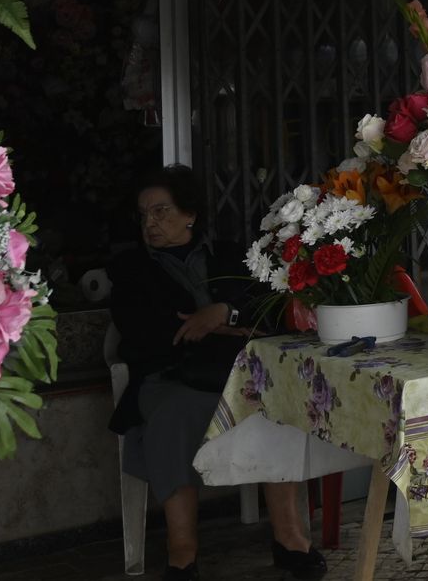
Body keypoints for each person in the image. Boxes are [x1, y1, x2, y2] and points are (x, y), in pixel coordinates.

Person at [108, 166, 327, 581]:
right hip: (169, 375)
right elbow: (141, 328)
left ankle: (289, 537)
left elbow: (264, 307)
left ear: (189, 214)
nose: (150, 222)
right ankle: (182, 550)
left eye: (161, 211)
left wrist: (223, 313)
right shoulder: (131, 268)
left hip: (238, 374)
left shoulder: (230, 255)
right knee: (174, 414)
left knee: (278, 405)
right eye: (144, 214)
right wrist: (218, 326)